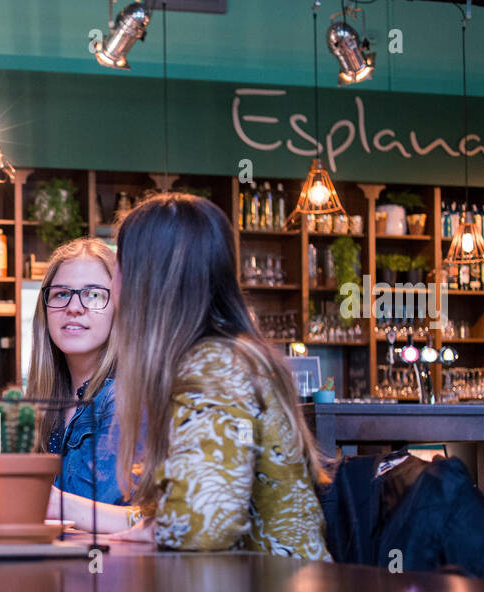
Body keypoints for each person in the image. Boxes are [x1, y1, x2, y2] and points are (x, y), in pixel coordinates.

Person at [108, 193, 331, 559]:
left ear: (143, 280)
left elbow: (207, 524)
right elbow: (197, 507)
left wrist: (160, 529)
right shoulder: (223, 356)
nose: (113, 278)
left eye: (119, 262)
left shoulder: (214, 367)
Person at [26, 237, 135, 532]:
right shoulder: (43, 402)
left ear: (119, 309)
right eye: (61, 294)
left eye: (94, 295)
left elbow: (135, 521)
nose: (74, 307)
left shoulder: (124, 399)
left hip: (106, 572)